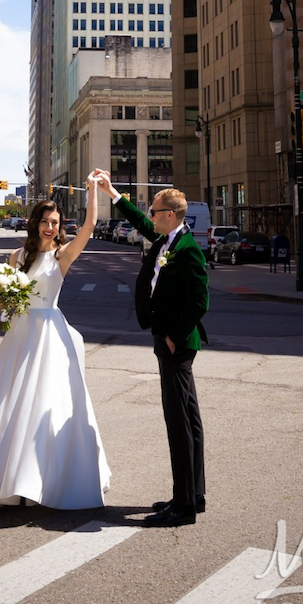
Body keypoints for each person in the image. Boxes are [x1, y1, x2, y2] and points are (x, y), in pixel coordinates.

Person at [0, 178, 110, 509]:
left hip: (49, 335)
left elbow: (90, 225)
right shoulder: (16, 255)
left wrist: (91, 190)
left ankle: (37, 480)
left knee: (45, 402)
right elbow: (8, 298)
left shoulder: (62, 256)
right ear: (35, 223)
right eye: (45, 221)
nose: (50, 227)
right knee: (4, 400)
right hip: (19, 333)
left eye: (55, 223)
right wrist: (3, 306)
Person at [92, 170, 208, 527]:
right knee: (189, 420)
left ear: (170, 215)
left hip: (176, 344)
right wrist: (112, 192)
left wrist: (174, 334)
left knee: (179, 424)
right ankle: (193, 495)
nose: (151, 214)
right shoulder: (165, 241)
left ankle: (183, 507)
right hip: (169, 340)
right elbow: (139, 220)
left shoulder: (187, 250)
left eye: (156, 210)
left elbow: (200, 300)